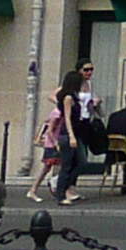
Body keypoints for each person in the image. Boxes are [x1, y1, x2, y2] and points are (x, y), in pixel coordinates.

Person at [49, 68, 90, 205]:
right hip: (67, 134)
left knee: (80, 163)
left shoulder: (73, 97)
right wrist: (71, 136)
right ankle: (60, 193)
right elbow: (67, 118)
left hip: (74, 133)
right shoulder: (68, 98)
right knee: (66, 165)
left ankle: (63, 186)